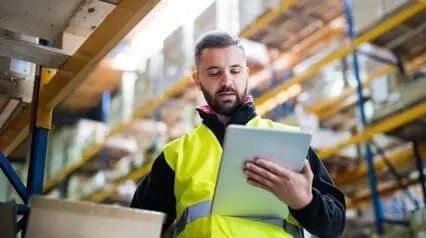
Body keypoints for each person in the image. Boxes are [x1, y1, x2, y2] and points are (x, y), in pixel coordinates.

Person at [131, 31, 346, 238]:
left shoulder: (289, 141)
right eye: (214, 73)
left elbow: (335, 225)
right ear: (197, 80)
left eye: (235, 70)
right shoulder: (176, 156)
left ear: (246, 72)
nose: (227, 82)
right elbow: (135, 229)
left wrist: (305, 202)